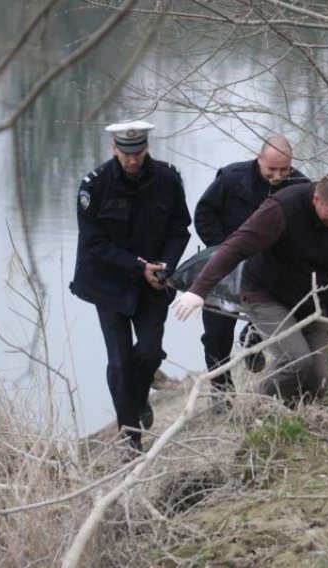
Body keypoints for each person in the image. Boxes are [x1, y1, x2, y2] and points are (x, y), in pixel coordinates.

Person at [174, 172, 328, 405]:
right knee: (296, 360)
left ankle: (292, 423)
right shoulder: (282, 208)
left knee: (317, 381)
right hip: (266, 294)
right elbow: (236, 246)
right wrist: (198, 290)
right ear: (316, 199)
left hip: (310, 298)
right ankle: (257, 409)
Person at [70, 120, 191, 460]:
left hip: (154, 284)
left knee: (150, 351)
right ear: (114, 149)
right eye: (126, 153)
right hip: (108, 284)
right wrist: (140, 266)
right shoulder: (94, 187)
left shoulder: (167, 179)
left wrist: (164, 266)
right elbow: (94, 243)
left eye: (138, 152)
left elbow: (180, 228)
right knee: (120, 362)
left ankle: (138, 398)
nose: (133, 160)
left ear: (146, 148)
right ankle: (131, 438)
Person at [193, 135, 309, 396]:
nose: (278, 175)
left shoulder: (301, 186)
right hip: (225, 267)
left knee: (274, 315)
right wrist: (225, 249)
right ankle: (221, 390)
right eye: (272, 169)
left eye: (284, 169)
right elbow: (204, 214)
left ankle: (252, 338)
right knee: (216, 334)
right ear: (259, 160)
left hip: (271, 271)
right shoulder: (232, 178)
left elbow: (306, 232)